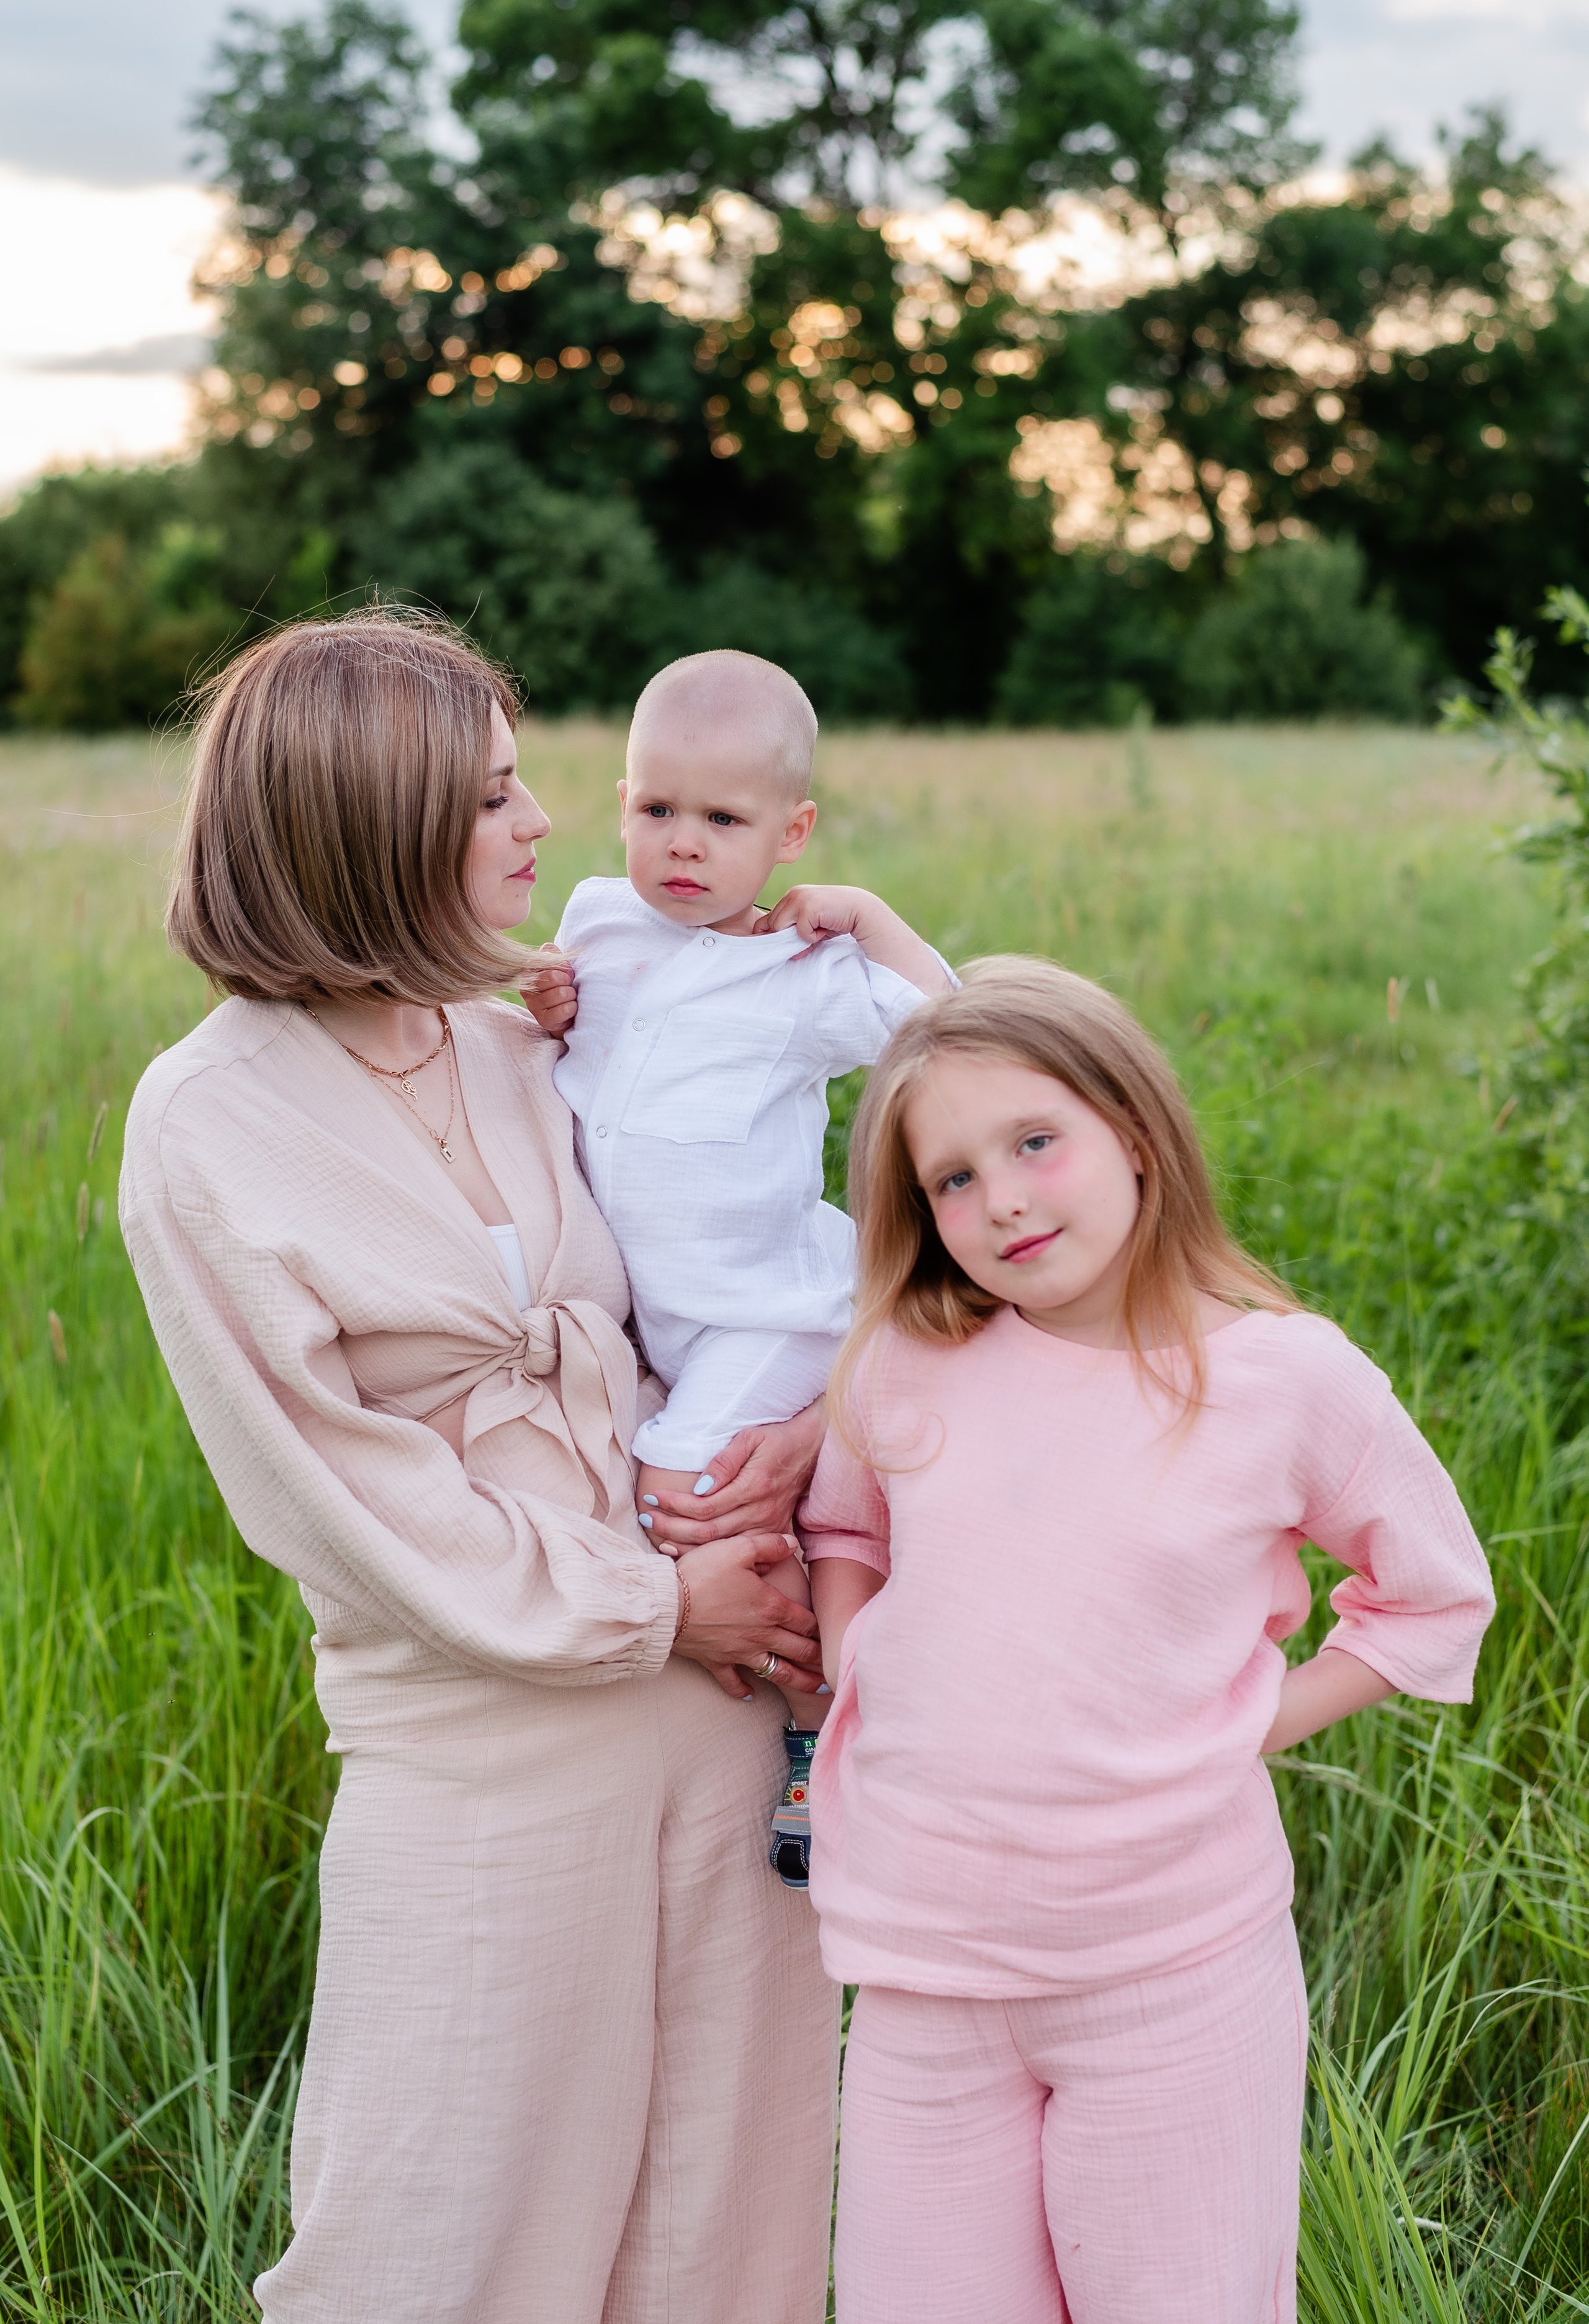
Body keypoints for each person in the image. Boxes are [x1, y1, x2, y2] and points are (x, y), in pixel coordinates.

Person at [118, 610, 840, 2324]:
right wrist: (659, 1601)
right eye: (497, 795)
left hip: (733, 1710)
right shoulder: (207, 1122)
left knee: (722, 2233)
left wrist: (811, 1420)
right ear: (371, 832)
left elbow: (746, 1265)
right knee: (433, 2244)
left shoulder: (536, 1036)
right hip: (489, 1745)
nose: (544, 829)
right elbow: (339, 1497)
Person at [799, 956, 1496, 2324]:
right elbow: (846, 1531)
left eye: (1034, 1143)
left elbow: (1432, 1594)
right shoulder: (902, 1360)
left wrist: (1253, 1721)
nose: (998, 1199)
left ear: (1129, 1129)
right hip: (922, 1974)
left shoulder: (1279, 1377)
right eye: (949, 1179)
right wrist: (853, 1667)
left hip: (1166, 1975)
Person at [520, 648, 952, 1882]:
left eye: (722, 819)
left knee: (681, 1489)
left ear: (789, 832)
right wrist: (553, 1005)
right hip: (656, 1309)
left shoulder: (804, 976)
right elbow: (583, 1036)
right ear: (620, 804)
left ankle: (813, 1738)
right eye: (657, 809)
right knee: (751, 1504)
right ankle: (796, 1685)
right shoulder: (599, 917)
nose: (682, 846)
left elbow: (952, 1029)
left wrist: (868, 919)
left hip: (765, 1308)